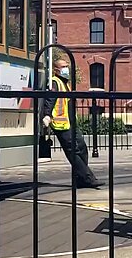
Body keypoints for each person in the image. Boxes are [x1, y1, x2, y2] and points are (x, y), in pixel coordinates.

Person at [40, 57, 104, 188]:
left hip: (70, 123)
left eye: (67, 66)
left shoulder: (65, 83)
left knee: (82, 148)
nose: (66, 69)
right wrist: (47, 115)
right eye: (63, 67)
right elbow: (50, 100)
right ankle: (88, 179)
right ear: (56, 69)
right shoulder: (54, 82)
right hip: (60, 124)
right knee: (73, 151)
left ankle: (80, 179)